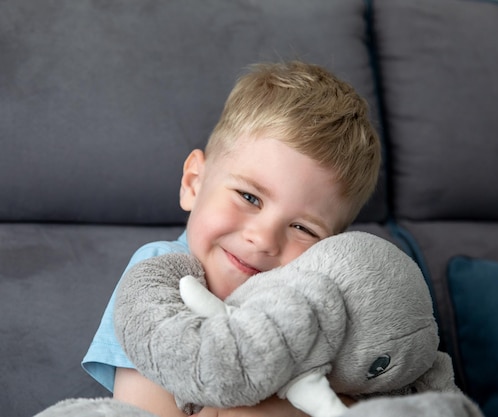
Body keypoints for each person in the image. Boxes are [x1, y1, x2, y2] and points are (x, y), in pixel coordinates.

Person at [82, 60, 381, 417]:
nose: (264, 239)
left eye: (303, 228)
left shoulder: (323, 308)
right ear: (194, 182)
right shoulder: (157, 280)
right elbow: (143, 410)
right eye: (249, 197)